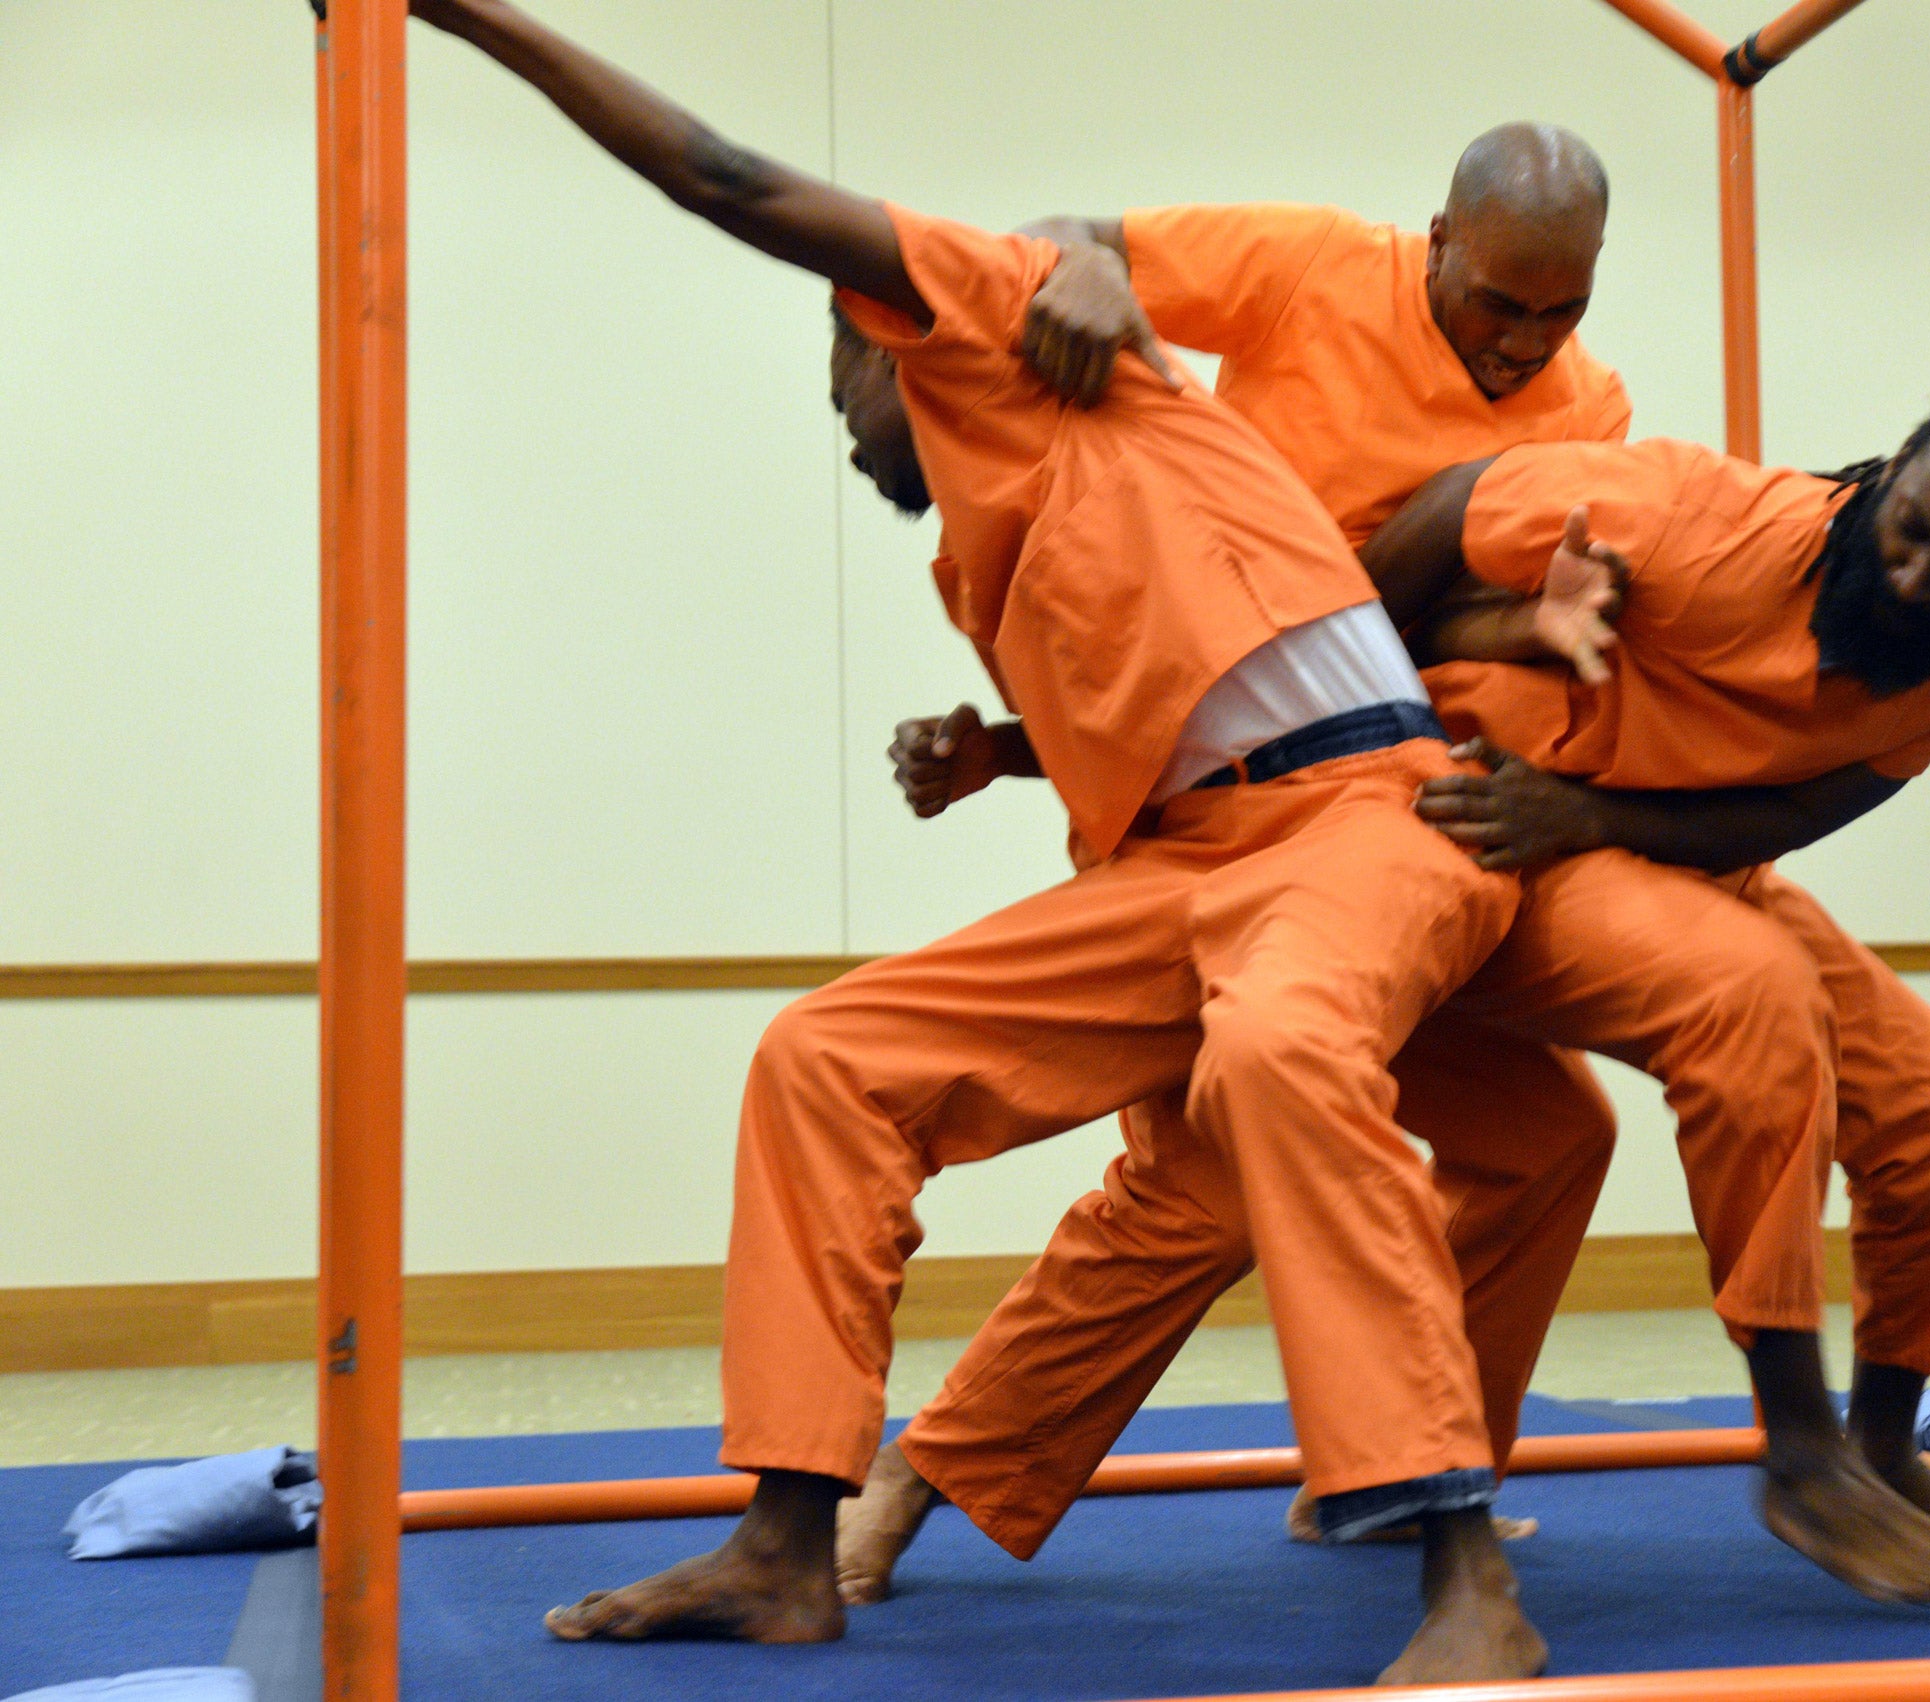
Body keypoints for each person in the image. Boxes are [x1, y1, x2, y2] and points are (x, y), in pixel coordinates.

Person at [403, 0, 1634, 1679]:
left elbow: (724, 175)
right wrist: (994, 746)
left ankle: (1467, 1579)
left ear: (901, 339)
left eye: (846, 369)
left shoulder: (1014, 329)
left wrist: (469, 20)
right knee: (827, 1058)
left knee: (1293, 1061)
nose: (841, 416)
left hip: (1371, 814)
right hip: (1186, 864)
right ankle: (787, 1540)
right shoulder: (979, 552)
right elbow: (1162, 672)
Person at [853, 369, 1930, 1607]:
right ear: (1888, 475)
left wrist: (1585, 807)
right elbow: (1448, 510)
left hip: (1642, 839)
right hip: (1479, 816)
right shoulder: (1689, 516)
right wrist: (1418, 683)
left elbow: (1800, 804)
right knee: (1219, 1173)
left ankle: (1877, 1448)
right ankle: (1795, 1452)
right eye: (1909, 531)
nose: (1915, 577)